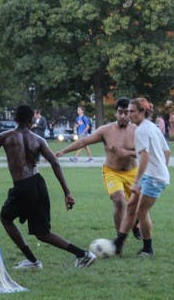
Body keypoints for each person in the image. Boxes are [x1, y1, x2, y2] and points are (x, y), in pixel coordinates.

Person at [0, 105, 95, 269]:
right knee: (42, 233)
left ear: (15, 119)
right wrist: (67, 192)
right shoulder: (39, 140)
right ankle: (83, 254)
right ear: (32, 121)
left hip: (23, 186)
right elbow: (55, 163)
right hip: (38, 184)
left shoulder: (4, 137)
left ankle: (33, 261)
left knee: (6, 218)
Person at [58, 97, 140, 240]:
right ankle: (120, 239)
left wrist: (128, 153)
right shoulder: (106, 131)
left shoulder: (138, 131)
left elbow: (146, 152)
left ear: (131, 114)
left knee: (136, 208)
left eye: (126, 113)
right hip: (112, 172)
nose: (123, 116)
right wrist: (63, 151)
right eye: (120, 112)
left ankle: (135, 224)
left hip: (133, 173)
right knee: (119, 200)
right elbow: (84, 141)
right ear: (115, 113)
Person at [112, 98, 170, 258]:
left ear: (142, 112)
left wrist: (137, 182)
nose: (129, 115)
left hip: (152, 178)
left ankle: (147, 249)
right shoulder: (152, 127)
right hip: (153, 175)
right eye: (127, 111)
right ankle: (118, 243)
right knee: (131, 207)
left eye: (132, 111)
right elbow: (167, 151)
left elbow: (144, 157)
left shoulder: (141, 130)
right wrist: (163, 169)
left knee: (141, 212)